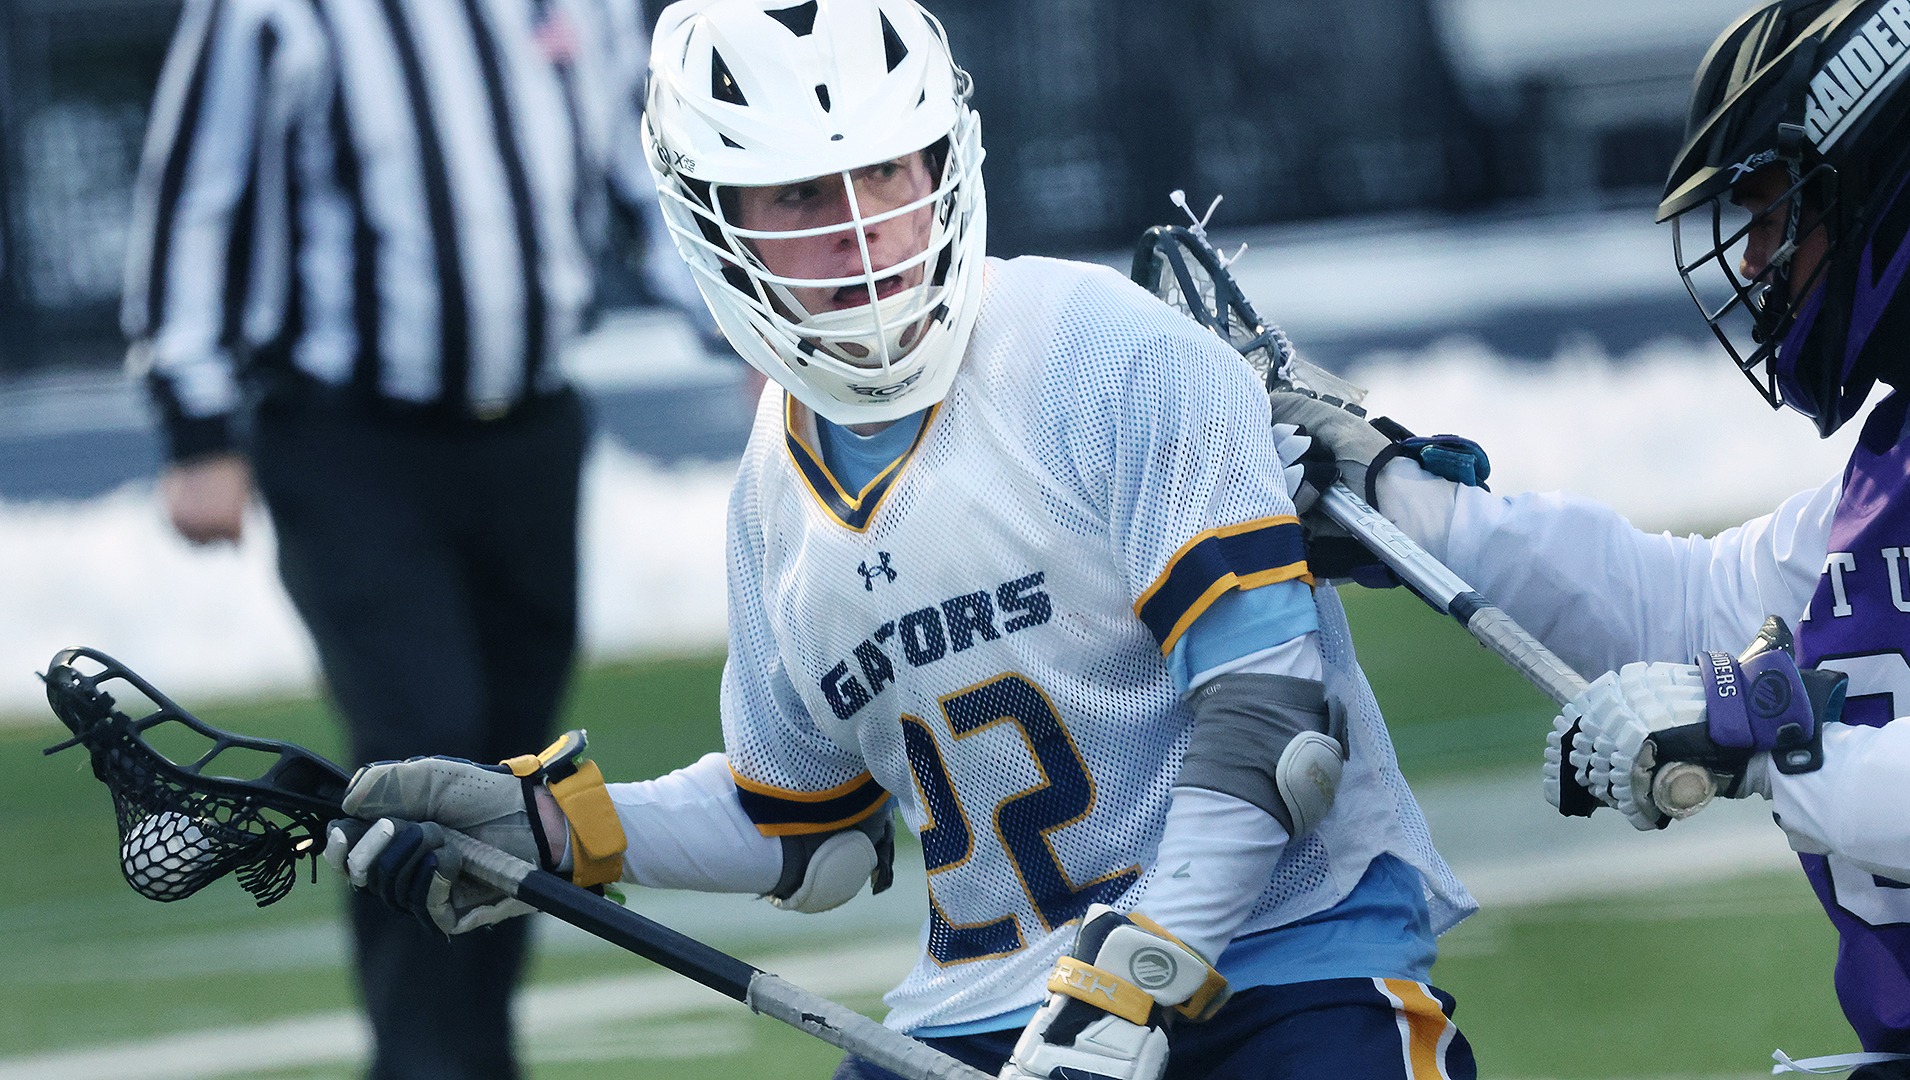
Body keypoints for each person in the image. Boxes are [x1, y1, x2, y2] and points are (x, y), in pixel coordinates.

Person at [322, 1, 1483, 1078]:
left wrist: (1133, 979)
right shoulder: (772, 490)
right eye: (797, 196)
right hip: (987, 1016)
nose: (860, 231)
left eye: (881, 170)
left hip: (1280, 967)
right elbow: (802, 825)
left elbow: (1274, 734)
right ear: (713, 220)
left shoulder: (1104, 351)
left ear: (942, 160)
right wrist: (555, 828)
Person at [1270, 0, 1910, 1066]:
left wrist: (1767, 735)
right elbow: (1683, 602)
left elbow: (1753, 699)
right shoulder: (1896, 471)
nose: (1756, 260)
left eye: (1779, 211)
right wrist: (1409, 505)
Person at [119, 1, 662, 1077]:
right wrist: (196, 424)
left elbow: (646, 169)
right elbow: (195, 193)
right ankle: (425, 1059)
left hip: (533, 432)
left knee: (517, 779)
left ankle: (475, 1051)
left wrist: (755, 336)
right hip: (351, 440)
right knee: (422, 757)